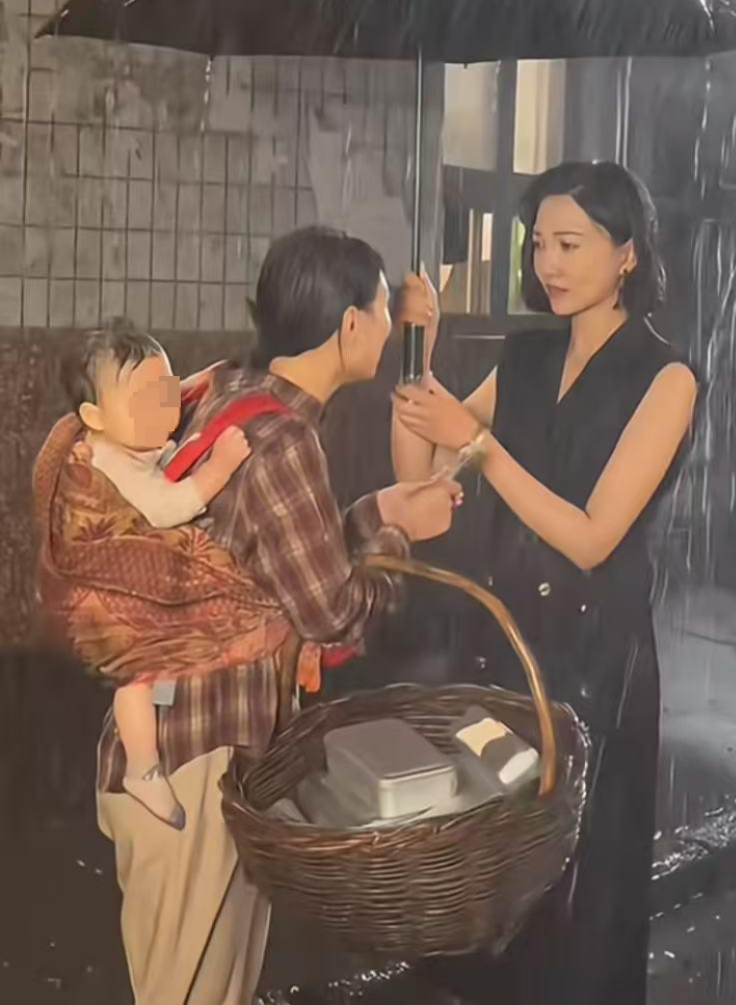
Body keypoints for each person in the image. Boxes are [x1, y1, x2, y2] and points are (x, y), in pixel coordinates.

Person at [59, 227, 460, 1005]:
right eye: (383, 310)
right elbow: (333, 611)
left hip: (189, 742)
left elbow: (282, 559)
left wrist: (377, 509)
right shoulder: (284, 440)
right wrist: (399, 539)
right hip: (194, 758)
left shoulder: (234, 393)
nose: (388, 326)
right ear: (350, 325)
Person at [393, 162, 697, 1005]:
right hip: (504, 653)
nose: (548, 264)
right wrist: (417, 353)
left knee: (585, 905)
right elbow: (420, 478)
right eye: (539, 246)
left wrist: (481, 446)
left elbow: (593, 537)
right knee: (494, 888)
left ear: (627, 253)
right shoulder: (525, 356)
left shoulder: (666, 378)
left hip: (598, 669)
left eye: (571, 244)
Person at [59, 324, 252, 830]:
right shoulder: (106, 462)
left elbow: (166, 414)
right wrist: (219, 469)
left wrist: (200, 384)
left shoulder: (127, 439)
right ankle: (142, 770)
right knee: (137, 680)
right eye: (144, 401)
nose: (163, 409)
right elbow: (166, 506)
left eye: (166, 392)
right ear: (95, 418)